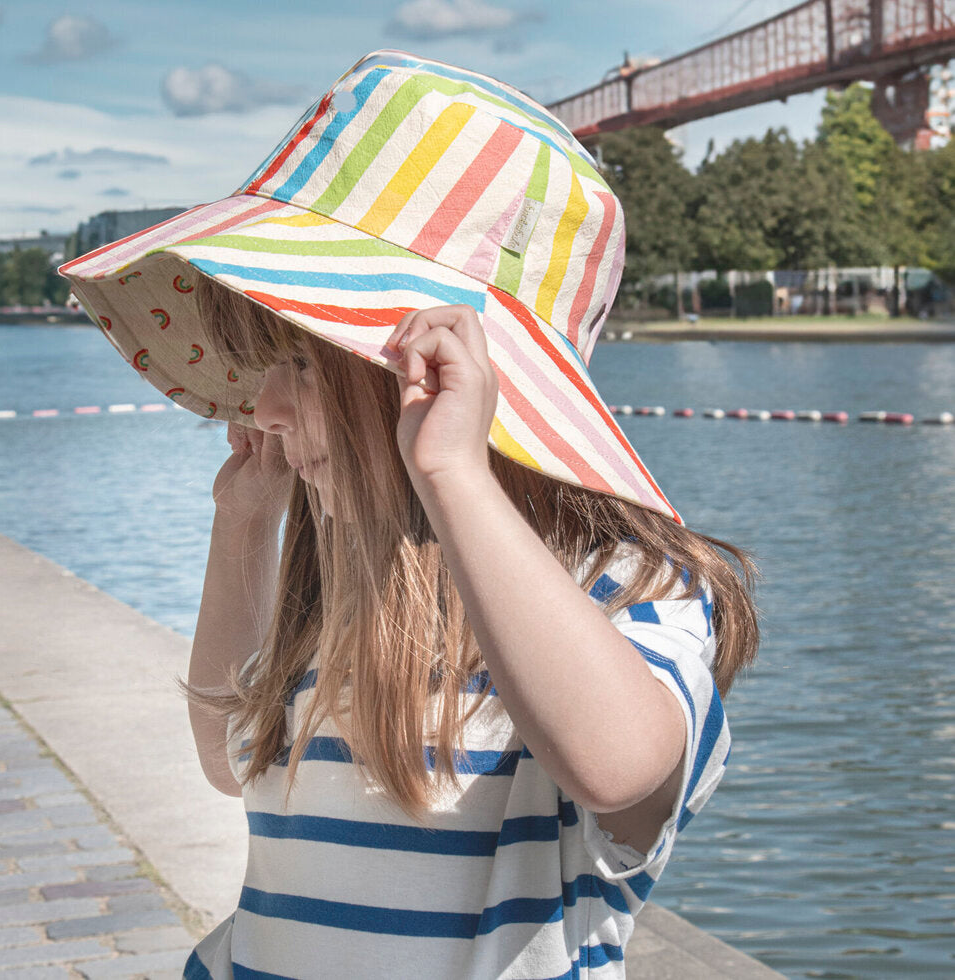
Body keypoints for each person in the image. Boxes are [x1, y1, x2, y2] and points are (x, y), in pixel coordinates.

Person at [60, 50, 757, 980]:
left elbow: (621, 769)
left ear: (450, 379)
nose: (259, 407)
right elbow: (229, 759)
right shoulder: (343, 582)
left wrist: (454, 479)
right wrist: (242, 532)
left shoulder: (624, 591)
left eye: (302, 363)